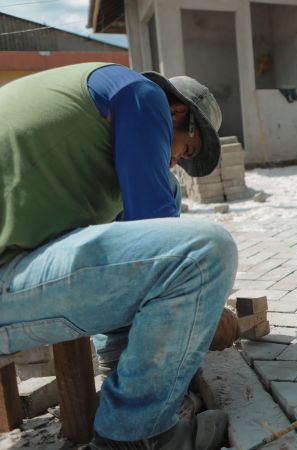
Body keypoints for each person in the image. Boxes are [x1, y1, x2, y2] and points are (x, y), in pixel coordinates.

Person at [0, 62, 236, 449]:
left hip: (10, 271)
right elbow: (163, 246)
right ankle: (136, 434)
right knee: (203, 252)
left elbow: (134, 252)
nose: (176, 161)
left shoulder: (93, 112)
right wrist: (210, 312)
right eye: (185, 148)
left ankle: (124, 371)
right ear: (178, 114)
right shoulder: (140, 95)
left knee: (164, 212)